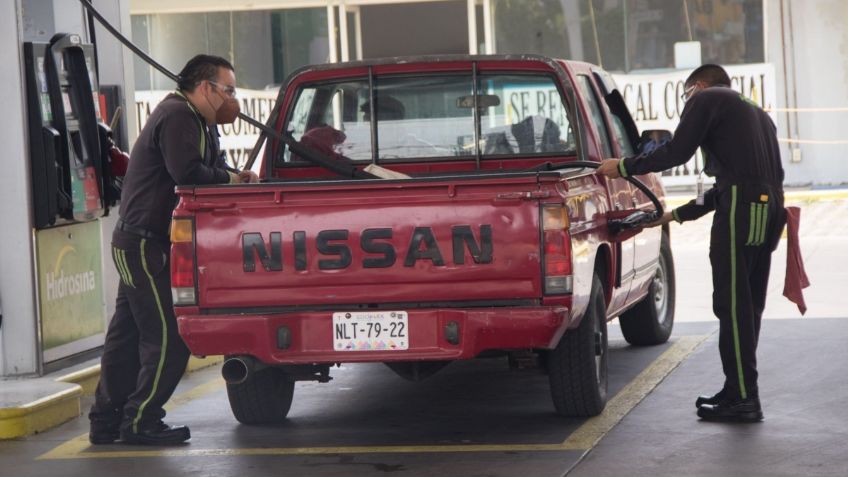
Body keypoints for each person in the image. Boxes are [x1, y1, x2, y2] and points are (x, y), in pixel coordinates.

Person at [597, 64, 785, 423]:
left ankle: (745, 398)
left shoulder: (706, 98)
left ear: (696, 86)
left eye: (685, 96)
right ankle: (738, 389)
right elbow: (727, 188)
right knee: (747, 306)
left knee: (732, 306)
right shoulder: (755, 112)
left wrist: (622, 167)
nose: (687, 104)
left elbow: (675, 154)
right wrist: (673, 216)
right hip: (770, 209)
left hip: (741, 211)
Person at [88, 54, 258, 446]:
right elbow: (188, 173)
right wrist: (231, 180)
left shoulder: (199, 121)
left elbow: (210, 165)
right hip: (145, 245)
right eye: (228, 89)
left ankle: (107, 421)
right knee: (168, 337)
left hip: (140, 242)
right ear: (205, 88)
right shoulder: (179, 116)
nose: (232, 98)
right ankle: (141, 421)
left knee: (126, 338)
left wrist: (234, 177)